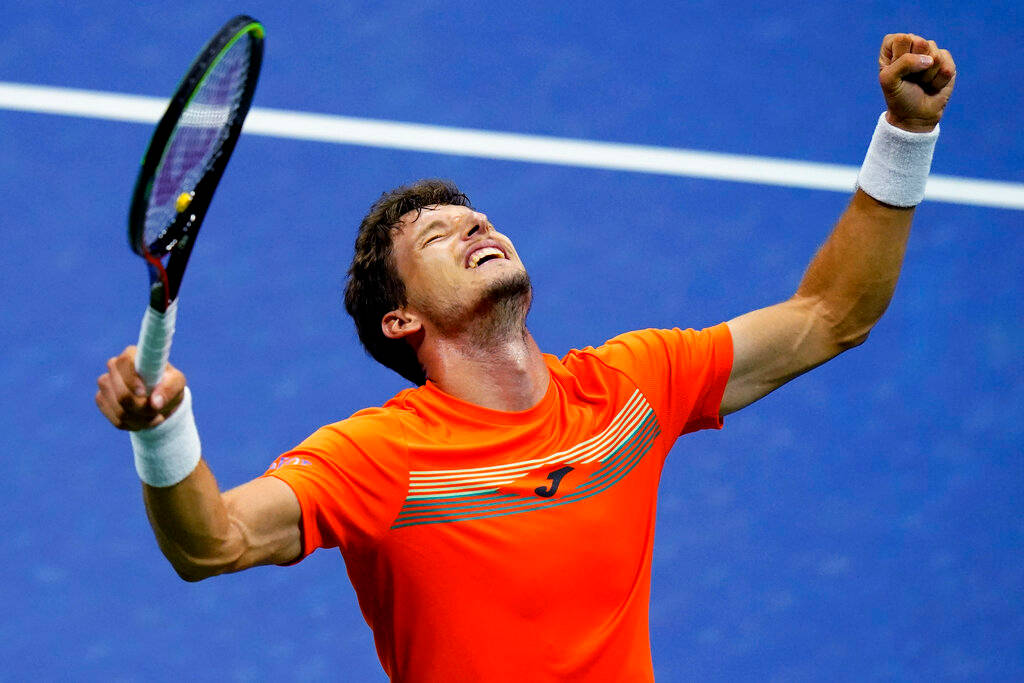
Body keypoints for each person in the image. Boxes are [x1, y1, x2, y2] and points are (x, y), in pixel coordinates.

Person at [96, 33, 956, 682]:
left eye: (477, 219)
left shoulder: (630, 386)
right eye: (438, 235)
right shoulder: (382, 459)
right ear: (400, 322)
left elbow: (835, 314)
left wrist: (905, 134)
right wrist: (163, 431)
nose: (476, 226)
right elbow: (213, 543)